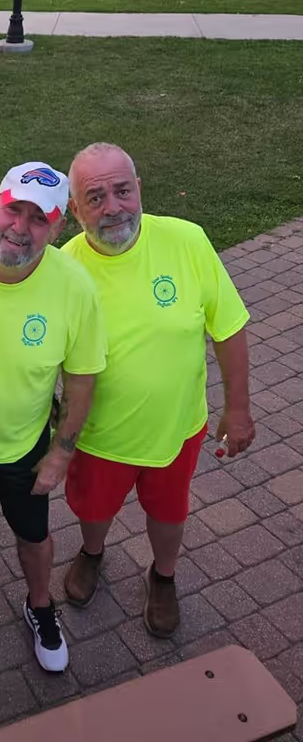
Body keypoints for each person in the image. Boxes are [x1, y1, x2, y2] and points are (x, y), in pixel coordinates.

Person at [61, 142, 255, 638]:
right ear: (74, 210)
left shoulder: (186, 241)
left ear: (139, 189)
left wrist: (238, 410)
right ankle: (92, 553)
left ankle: (162, 576)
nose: (113, 208)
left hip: (177, 429)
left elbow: (228, 328)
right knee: (93, 510)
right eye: (95, 198)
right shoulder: (63, 269)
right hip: (98, 437)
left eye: (122, 191)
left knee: (170, 514)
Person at [0, 163, 106, 672]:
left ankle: (39, 604)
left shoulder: (75, 287)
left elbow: (81, 378)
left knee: (33, 535)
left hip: (24, 443)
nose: (20, 226)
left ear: (57, 228)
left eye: (39, 218)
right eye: (14, 209)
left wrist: (61, 451)